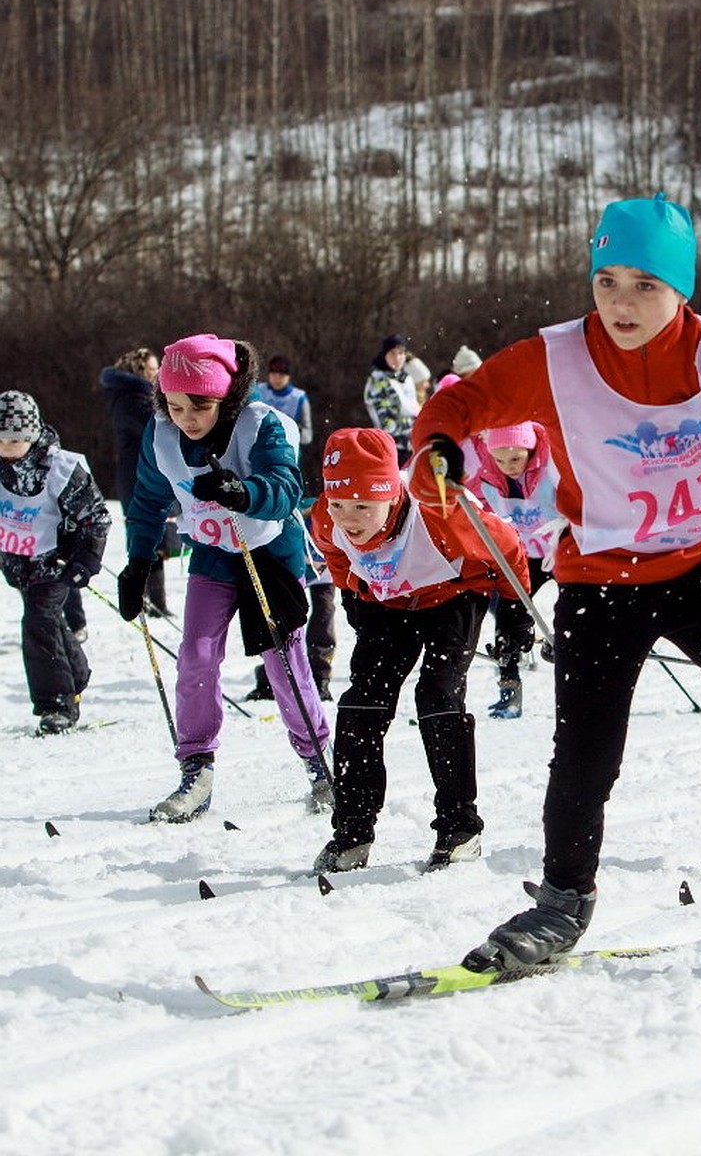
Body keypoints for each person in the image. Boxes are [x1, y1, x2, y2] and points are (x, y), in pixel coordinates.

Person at [409, 190, 701, 972]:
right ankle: (561, 904)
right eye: (608, 280)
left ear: (681, 290)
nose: (622, 303)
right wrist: (439, 454)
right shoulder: (554, 356)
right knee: (587, 754)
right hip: (598, 578)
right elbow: (460, 405)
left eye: (646, 286)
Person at [117, 333, 332, 821]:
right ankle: (196, 768)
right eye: (175, 406)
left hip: (268, 553)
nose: (186, 419)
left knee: (283, 661)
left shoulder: (262, 424)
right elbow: (148, 503)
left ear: (225, 397)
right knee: (195, 656)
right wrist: (138, 562)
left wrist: (244, 490)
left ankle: (319, 762)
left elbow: (284, 486)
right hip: (213, 555)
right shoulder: (162, 436)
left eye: (200, 406)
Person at [309, 427, 528, 872]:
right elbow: (336, 556)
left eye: (362, 507)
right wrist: (354, 594)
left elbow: (507, 548)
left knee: (437, 696)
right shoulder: (326, 518)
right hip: (387, 604)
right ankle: (353, 830)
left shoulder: (441, 515)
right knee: (361, 704)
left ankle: (459, 827)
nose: (348, 518)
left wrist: (515, 618)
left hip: (453, 596)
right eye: (339, 505)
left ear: (391, 497)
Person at [0, 391, 111, 735]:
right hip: (16, 561)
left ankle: (57, 704)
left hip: (55, 561)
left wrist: (86, 559)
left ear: (32, 436)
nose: (8, 447)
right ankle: (76, 675)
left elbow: (96, 517)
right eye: (1, 440)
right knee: (47, 623)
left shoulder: (60, 467)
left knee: (38, 621)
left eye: (16, 440)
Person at [466, 421, 562, 719]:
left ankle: (581, 666)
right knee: (509, 611)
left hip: (564, 550)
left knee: (576, 610)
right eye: (499, 459)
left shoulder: (553, 465)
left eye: (515, 459)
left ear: (530, 449)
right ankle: (510, 688)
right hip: (524, 554)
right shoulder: (487, 476)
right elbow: (470, 504)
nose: (507, 466)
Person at [99, 346, 172, 617]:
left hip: (146, 468)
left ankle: (158, 601)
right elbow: (151, 427)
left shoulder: (138, 396)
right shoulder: (129, 398)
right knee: (143, 533)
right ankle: (141, 598)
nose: (157, 375)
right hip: (135, 472)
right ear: (140, 371)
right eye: (153, 370)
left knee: (161, 535)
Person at [244, 498, 337, 702]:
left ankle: (319, 676)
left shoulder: (331, 517)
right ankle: (270, 677)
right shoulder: (298, 519)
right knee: (281, 617)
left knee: (324, 614)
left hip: (325, 568)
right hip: (292, 563)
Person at [363, 333, 422, 464]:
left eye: (401, 353)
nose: (397, 358)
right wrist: (412, 426)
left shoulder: (406, 378)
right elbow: (386, 423)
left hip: (411, 445)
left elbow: (414, 409)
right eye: (392, 353)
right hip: (390, 447)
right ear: (385, 355)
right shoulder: (378, 381)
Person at [255, 356, 314, 447]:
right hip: (260, 446)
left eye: (281, 375)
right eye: (274, 375)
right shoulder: (258, 391)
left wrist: (290, 432)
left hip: (286, 450)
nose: (277, 379)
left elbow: (308, 436)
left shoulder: (299, 398)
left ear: (288, 377)